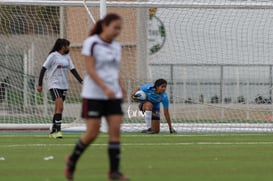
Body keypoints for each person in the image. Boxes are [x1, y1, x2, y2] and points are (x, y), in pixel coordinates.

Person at [65, 13, 129, 181]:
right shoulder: (91, 43)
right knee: (92, 133)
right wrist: (104, 88)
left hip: (112, 94)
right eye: (115, 27)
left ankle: (114, 172)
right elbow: (90, 70)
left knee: (115, 131)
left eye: (120, 28)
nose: (117, 31)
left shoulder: (116, 46)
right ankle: (72, 160)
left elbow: (114, 70)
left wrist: (120, 87)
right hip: (93, 94)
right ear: (105, 26)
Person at [37, 38, 83, 138]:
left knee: (59, 109)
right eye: (67, 45)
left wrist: (81, 81)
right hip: (54, 84)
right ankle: (58, 131)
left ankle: (53, 131)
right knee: (60, 106)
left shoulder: (67, 57)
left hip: (64, 85)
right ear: (62, 46)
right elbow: (43, 68)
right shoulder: (53, 56)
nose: (69, 47)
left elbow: (73, 70)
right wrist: (40, 84)